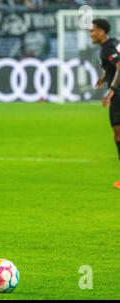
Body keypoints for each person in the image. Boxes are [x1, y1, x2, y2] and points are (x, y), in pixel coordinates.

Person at [90, 19, 120, 188]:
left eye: (93, 31)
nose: (91, 35)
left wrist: (112, 90)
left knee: (118, 135)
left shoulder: (107, 48)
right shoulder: (113, 43)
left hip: (119, 95)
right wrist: (104, 77)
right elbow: (114, 66)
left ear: (101, 32)